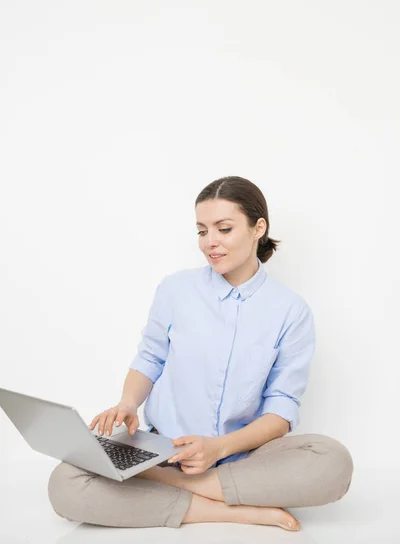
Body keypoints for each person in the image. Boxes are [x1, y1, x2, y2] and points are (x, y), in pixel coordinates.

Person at [47, 175, 353, 531]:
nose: (211, 243)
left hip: (243, 458)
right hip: (162, 449)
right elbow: (150, 357)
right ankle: (228, 508)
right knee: (66, 480)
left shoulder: (291, 311)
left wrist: (219, 448)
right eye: (202, 231)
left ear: (259, 228)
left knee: (333, 461)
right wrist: (128, 405)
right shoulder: (175, 290)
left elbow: (281, 408)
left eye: (224, 229)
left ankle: (175, 488)